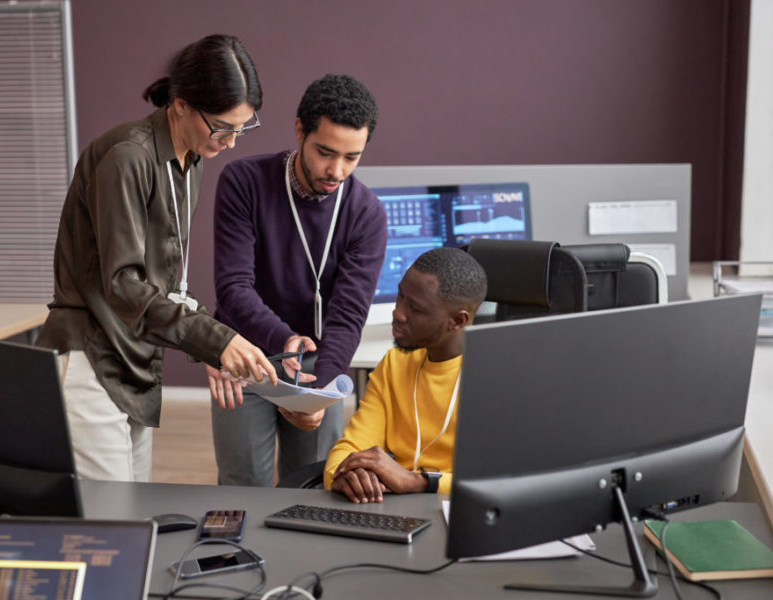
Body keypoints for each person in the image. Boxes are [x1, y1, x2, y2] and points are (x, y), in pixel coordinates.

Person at [36, 34, 278, 482]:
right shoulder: (128, 157)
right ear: (181, 104)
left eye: (243, 128)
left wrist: (212, 345)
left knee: (135, 517)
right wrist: (213, 339)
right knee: (111, 529)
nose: (231, 142)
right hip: (92, 357)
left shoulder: (189, 160)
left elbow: (164, 283)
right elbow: (124, 284)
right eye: (223, 127)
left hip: (135, 357)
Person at [208, 74, 387, 487]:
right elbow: (234, 288)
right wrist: (285, 338)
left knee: (313, 486)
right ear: (299, 131)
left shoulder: (367, 214)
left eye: (352, 157)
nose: (336, 170)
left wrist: (321, 390)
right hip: (245, 354)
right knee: (243, 485)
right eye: (326, 152)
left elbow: (347, 316)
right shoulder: (243, 182)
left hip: (318, 363)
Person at [324, 247, 487, 503]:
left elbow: (500, 480)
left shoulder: (494, 376)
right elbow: (349, 448)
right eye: (400, 296)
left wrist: (417, 482)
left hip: (463, 514)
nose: (398, 313)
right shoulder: (394, 364)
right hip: (392, 507)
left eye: (416, 309)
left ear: (457, 321)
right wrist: (346, 475)